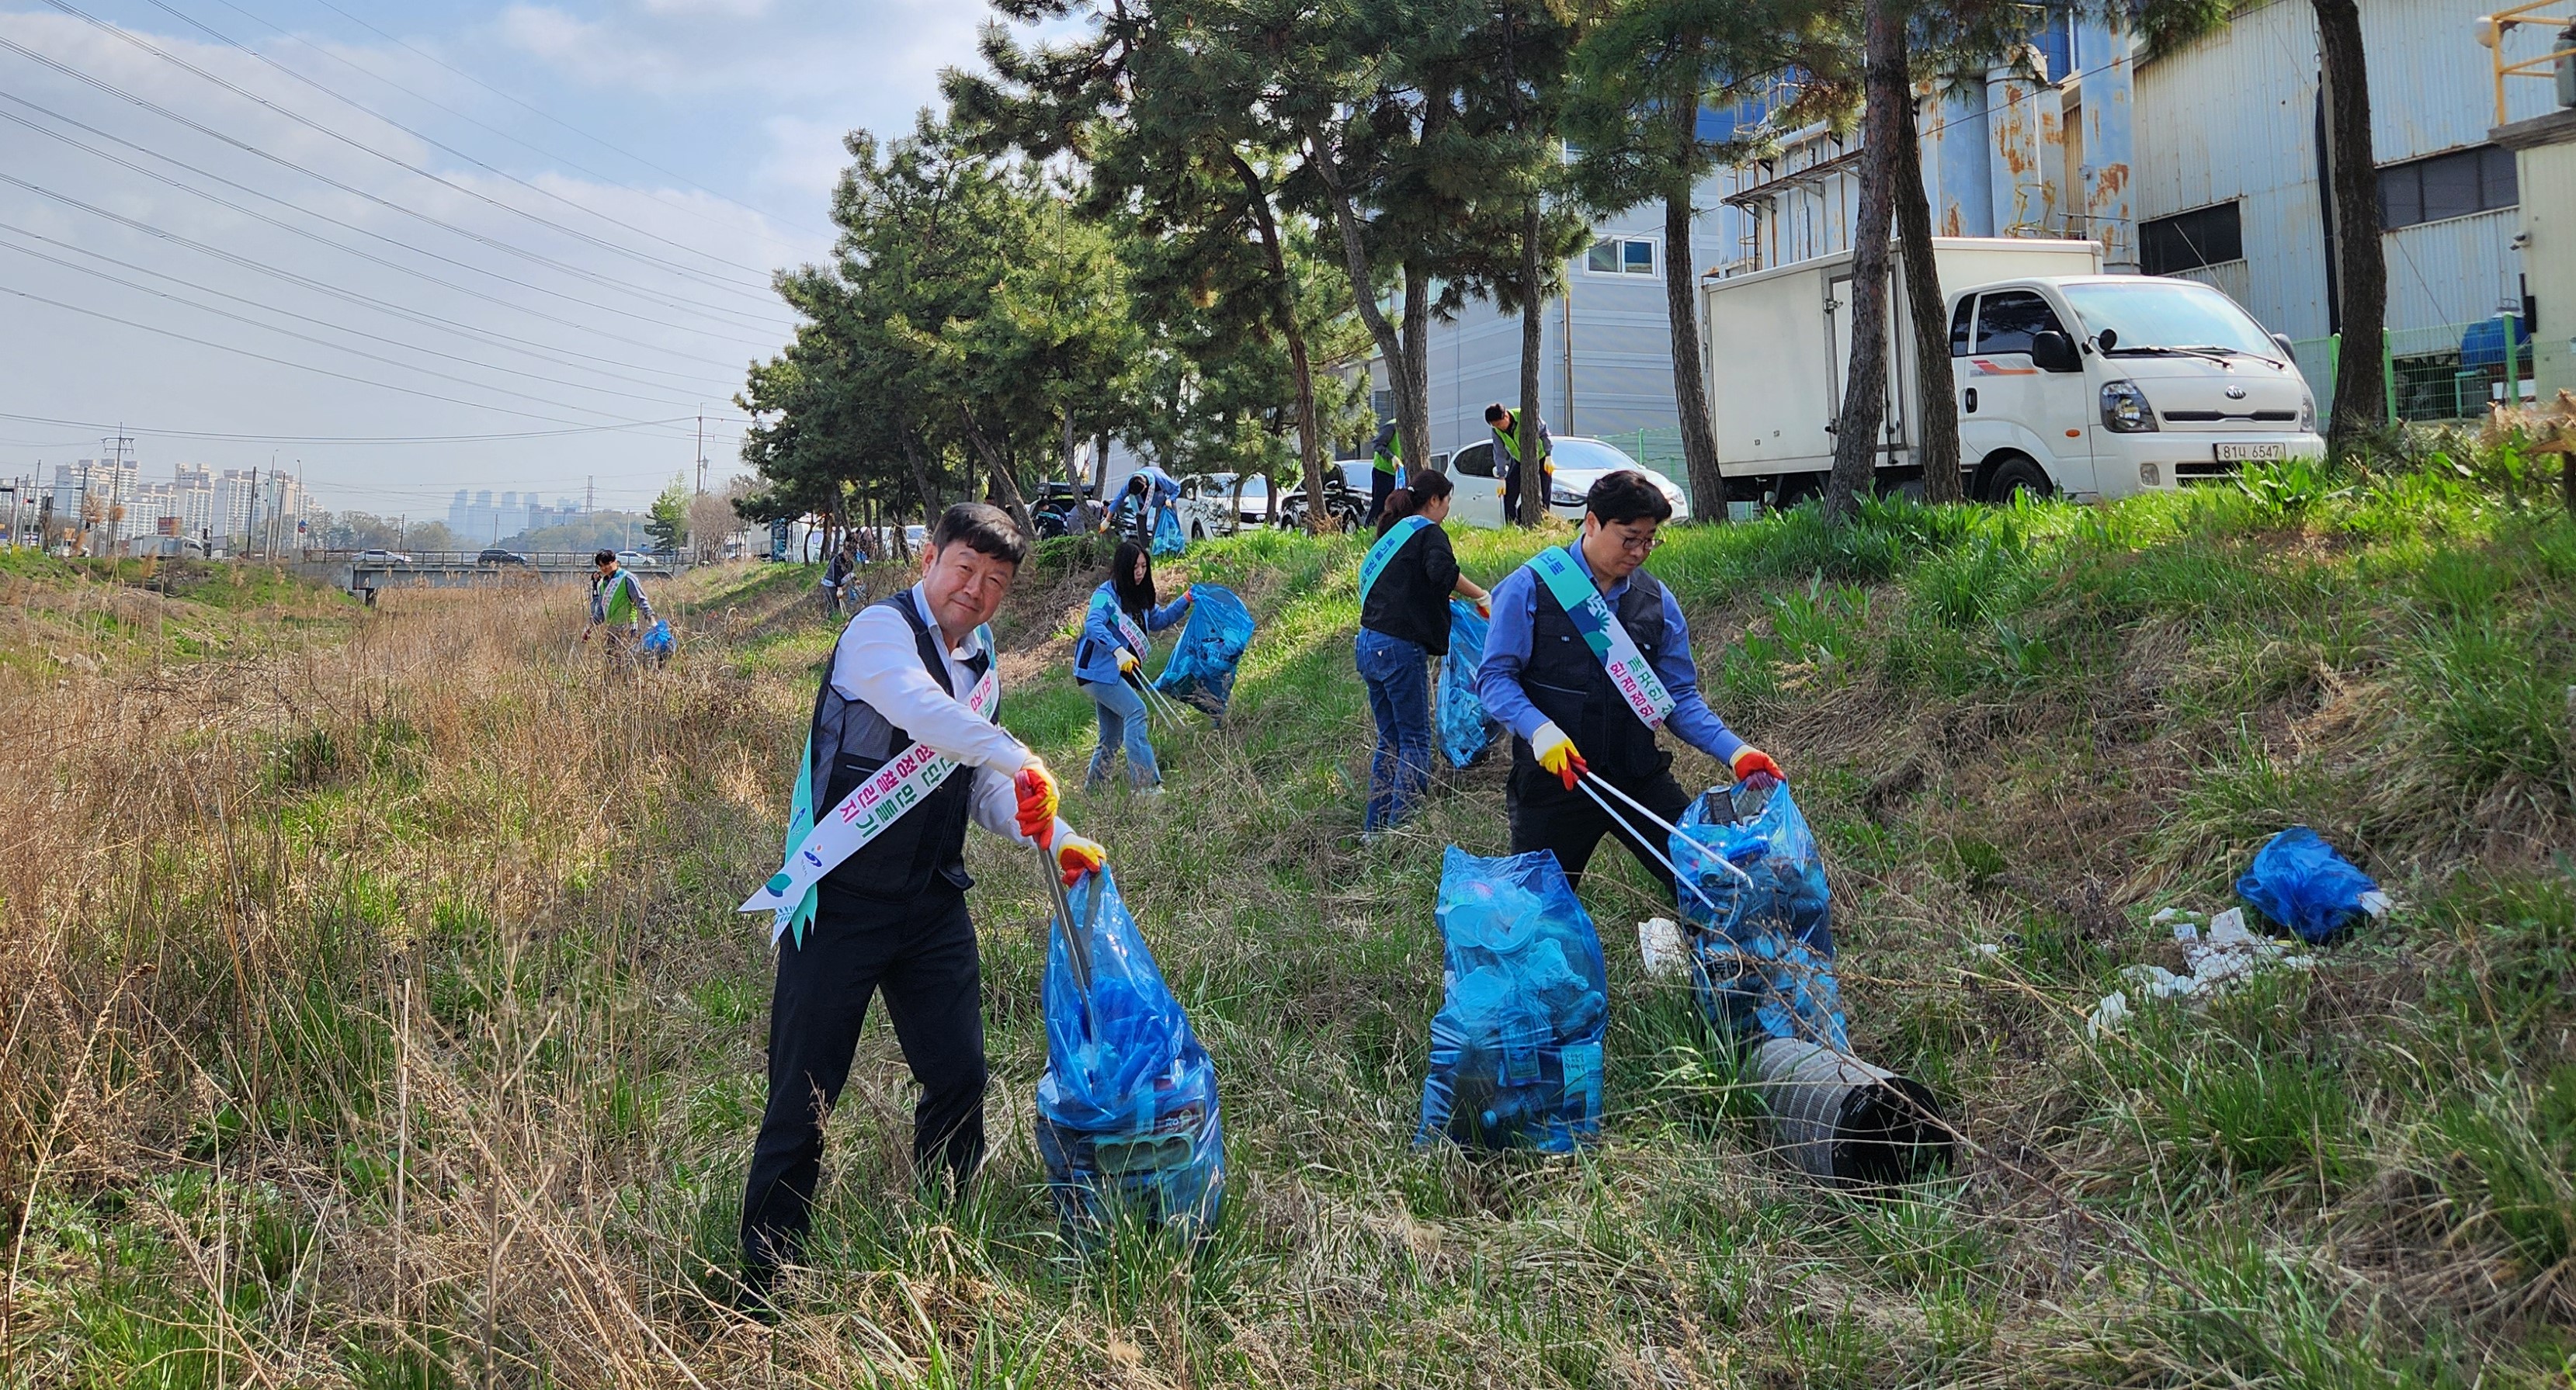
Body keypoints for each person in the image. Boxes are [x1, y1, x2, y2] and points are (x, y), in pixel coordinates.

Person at [738, 503, 1105, 1312]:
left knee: (959, 1077)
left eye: (996, 583)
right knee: (804, 1097)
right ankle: (764, 1284)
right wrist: (1019, 754)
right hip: (839, 906)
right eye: (964, 570)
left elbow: (976, 784)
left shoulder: (983, 665)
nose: (975, 592)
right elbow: (919, 714)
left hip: (933, 905)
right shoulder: (876, 634)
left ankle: (946, 1235)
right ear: (929, 557)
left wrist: (1056, 835)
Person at [1476, 470, 1786, 896]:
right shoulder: (1531, 588)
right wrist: (1538, 729)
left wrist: (1736, 752)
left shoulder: (1658, 603)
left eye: (1650, 539)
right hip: (1558, 779)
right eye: (1629, 538)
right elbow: (1495, 678)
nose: (1640, 551)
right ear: (1591, 523)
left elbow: (1678, 697)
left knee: (1707, 880)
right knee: (1538, 909)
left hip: (1637, 774)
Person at [1355, 470, 1487, 834]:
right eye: (1447, 503)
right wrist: (1481, 595)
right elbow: (1442, 572)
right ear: (1434, 501)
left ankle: (1375, 830)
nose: (1447, 511)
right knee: (1414, 740)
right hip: (1398, 649)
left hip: (1367, 643)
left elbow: (1406, 584)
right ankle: (1402, 831)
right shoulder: (1428, 531)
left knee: (1390, 739)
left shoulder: (1394, 536)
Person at [1074, 540, 1193, 790]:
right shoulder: (1105, 596)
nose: (1139, 572)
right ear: (1122, 568)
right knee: (1136, 712)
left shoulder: (1139, 596)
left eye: (1143, 566)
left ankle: (1093, 791)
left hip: (1117, 673)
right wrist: (1117, 650)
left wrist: (1186, 599)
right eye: (1134, 567)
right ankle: (1147, 787)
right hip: (1097, 672)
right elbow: (1093, 625)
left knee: (1111, 737)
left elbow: (1159, 620)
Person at [1485, 403, 1554, 526]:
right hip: (1518, 460)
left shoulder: (1525, 415)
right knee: (1510, 494)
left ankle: (1542, 524)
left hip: (1541, 457)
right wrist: (1501, 476)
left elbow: (1544, 433)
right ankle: (1511, 526)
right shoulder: (1496, 431)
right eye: (1494, 425)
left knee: (1544, 493)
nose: (1499, 428)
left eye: (1499, 424)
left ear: (1506, 416)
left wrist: (1549, 454)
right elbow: (1499, 452)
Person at [582, 548, 654, 657]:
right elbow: (600, 613)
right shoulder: (602, 584)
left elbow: (641, 600)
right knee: (611, 662)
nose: (604, 568)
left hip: (628, 629)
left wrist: (652, 621)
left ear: (615, 562)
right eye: (601, 566)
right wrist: (589, 628)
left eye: (607, 564)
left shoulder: (627, 578)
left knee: (626, 662)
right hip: (612, 629)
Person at [1365, 418, 1402, 527]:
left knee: (1396, 506)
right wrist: (1392, 457)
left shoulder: (1411, 429)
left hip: (1398, 474)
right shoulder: (1391, 427)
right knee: (1379, 505)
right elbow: (1377, 444)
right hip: (1383, 472)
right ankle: (1369, 529)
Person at [820, 536, 858, 618]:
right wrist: (840, 588)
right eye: (848, 554)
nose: (849, 557)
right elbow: (836, 578)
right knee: (832, 606)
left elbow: (850, 574)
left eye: (851, 555)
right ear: (845, 552)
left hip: (840, 584)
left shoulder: (850, 563)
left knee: (839, 606)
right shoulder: (838, 560)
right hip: (830, 584)